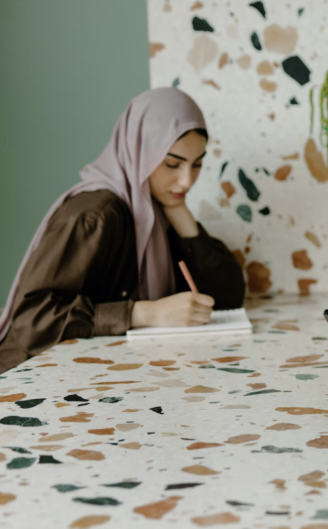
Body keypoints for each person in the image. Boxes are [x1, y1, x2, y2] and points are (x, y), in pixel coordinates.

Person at [0, 88, 245, 374]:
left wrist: (180, 213)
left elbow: (228, 297)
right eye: (172, 164)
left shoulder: (156, 210)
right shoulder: (97, 215)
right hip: (23, 383)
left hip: (91, 379)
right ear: (139, 151)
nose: (186, 180)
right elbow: (32, 319)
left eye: (197, 164)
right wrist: (144, 313)